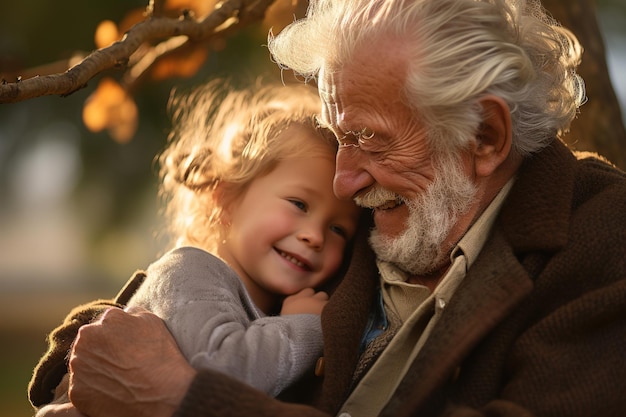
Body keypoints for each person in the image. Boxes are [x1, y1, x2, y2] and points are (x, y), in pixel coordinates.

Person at [31, 0, 626, 416]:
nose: (343, 181)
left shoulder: (602, 239)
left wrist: (180, 401)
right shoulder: (377, 215)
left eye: (369, 137)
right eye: (338, 134)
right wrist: (103, 362)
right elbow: (120, 343)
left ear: (486, 137)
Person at [30, 80, 361, 416]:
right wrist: (302, 325)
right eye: (299, 204)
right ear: (226, 196)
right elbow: (221, 376)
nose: (316, 236)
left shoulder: (264, 306)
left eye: (338, 229)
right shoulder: (190, 272)